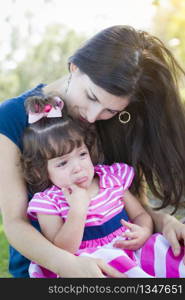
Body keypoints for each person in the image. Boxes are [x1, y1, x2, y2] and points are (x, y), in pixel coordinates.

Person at [0, 25, 185, 278]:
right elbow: (15, 222)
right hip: (54, 266)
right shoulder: (10, 118)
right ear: (75, 66)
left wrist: (164, 222)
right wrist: (68, 265)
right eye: (91, 96)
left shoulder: (117, 120)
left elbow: (127, 203)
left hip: (124, 254)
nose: (92, 116)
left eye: (110, 110)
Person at [23, 94, 184, 278]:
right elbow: (63, 249)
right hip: (91, 266)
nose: (78, 167)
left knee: (171, 258)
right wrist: (78, 210)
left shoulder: (109, 180)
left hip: (133, 251)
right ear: (40, 171)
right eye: (62, 163)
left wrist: (144, 230)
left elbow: (139, 214)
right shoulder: (49, 202)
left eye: (82, 154)